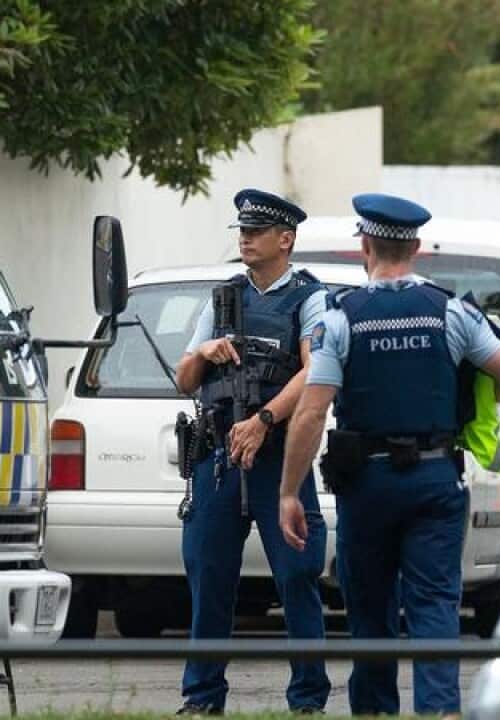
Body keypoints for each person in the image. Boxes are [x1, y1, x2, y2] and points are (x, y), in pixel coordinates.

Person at [278, 193, 500, 716]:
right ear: (416, 247)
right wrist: (465, 399)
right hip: (436, 478)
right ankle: (439, 711)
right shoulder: (453, 312)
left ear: (364, 248)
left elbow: (310, 412)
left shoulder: (340, 319)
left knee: (369, 608)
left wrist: (288, 491)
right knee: (436, 603)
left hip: (366, 484)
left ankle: (374, 711)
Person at [173, 188, 331, 715]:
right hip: (218, 454)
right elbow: (183, 379)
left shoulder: (309, 298)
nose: (245, 238)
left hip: (279, 456)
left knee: (297, 575)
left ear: (285, 240)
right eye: (242, 230)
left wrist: (264, 420)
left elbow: (314, 370)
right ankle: (201, 699)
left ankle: (308, 700)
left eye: (257, 231)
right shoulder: (223, 297)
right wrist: (204, 349)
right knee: (209, 575)